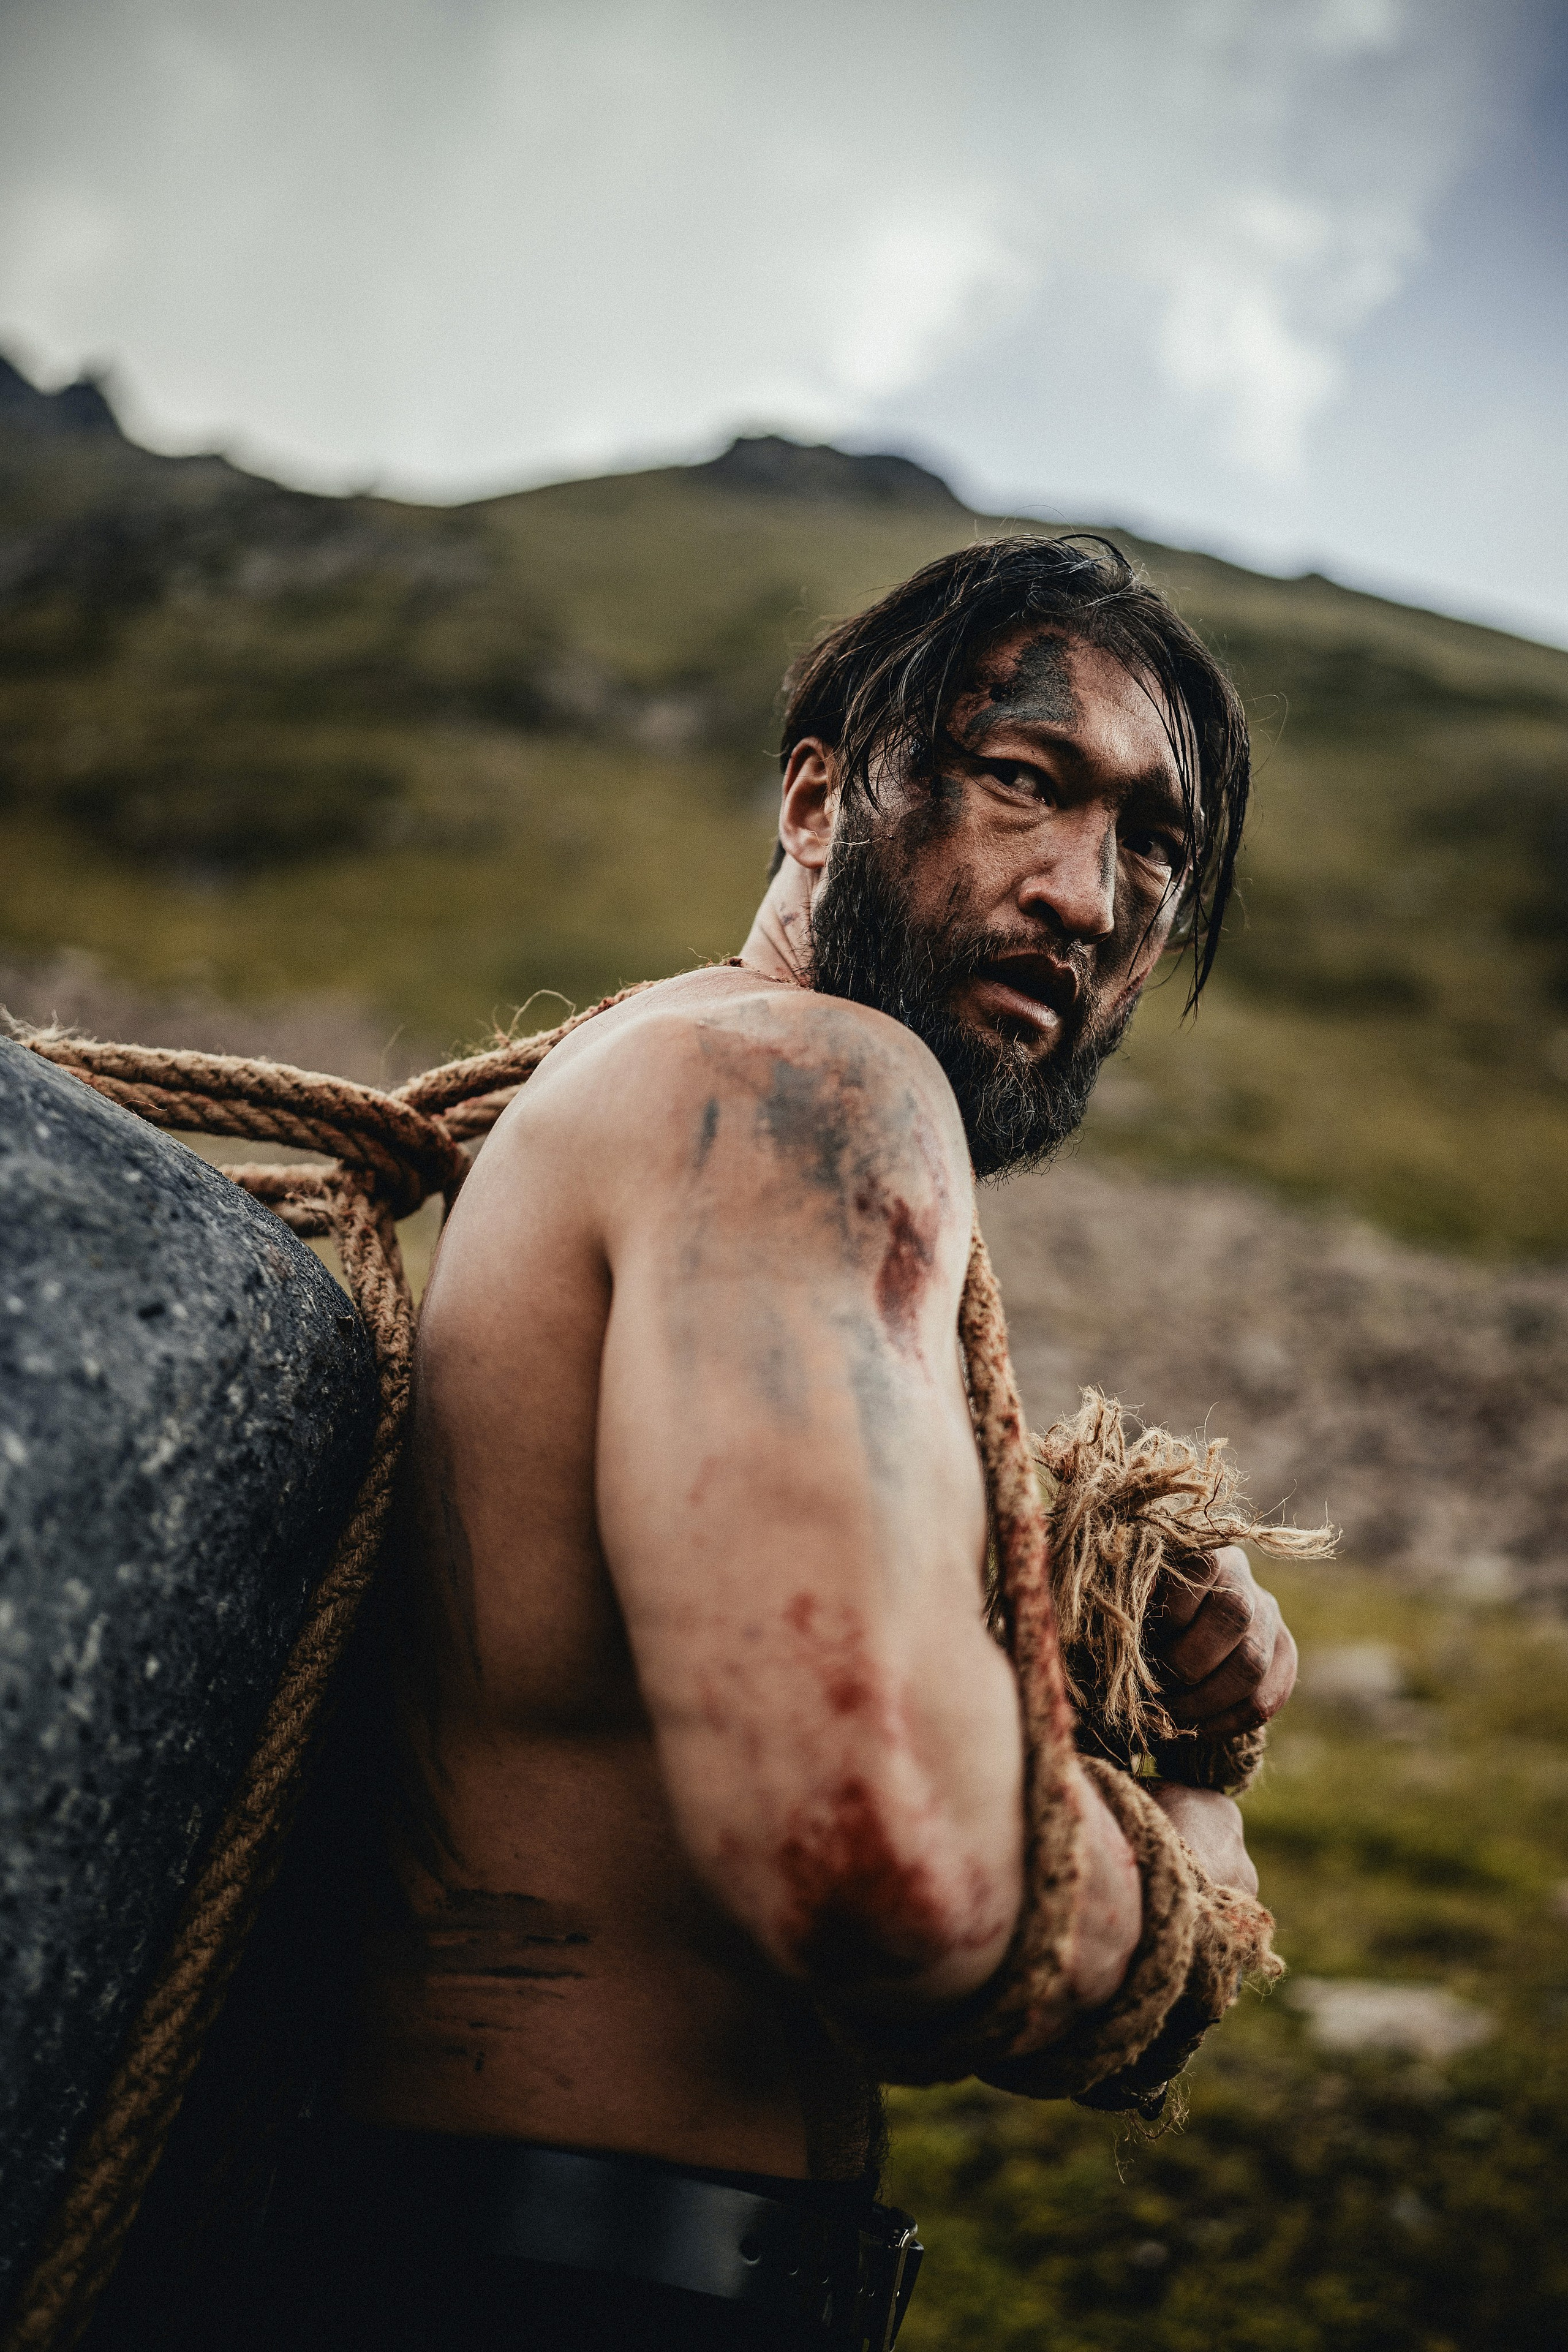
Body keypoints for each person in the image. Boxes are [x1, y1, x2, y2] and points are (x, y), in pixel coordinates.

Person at [254, 536, 1298, 2351]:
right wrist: (1197, 1849)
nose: (1085, 894)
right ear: (819, 801)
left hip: (451, 2243)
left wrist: (1107, 1645)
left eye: (1155, 846)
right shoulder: (804, 1085)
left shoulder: (663, 1074)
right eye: (1026, 783)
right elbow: (889, 1856)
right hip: (569, 2286)